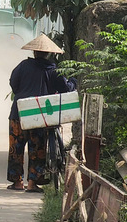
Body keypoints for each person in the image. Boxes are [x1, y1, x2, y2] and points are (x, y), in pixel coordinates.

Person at [7, 34, 77, 193]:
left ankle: (17, 182)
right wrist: (73, 82)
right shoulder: (54, 70)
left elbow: (13, 82)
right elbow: (66, 89)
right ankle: (32, 183)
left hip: (19, 113)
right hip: (41, 116)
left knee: (16, 148)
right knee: (37, 148)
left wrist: (22, 93)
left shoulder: (23, 66)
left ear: (34, 53)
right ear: (49, 54)